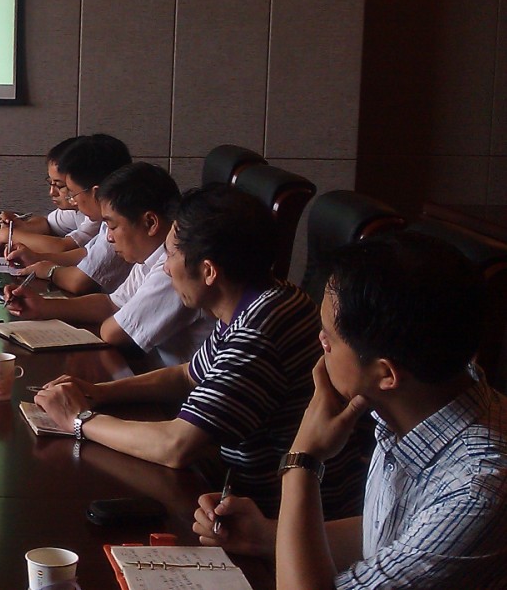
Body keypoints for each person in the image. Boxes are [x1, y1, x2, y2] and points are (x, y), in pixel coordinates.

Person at [192, 231, 507, 589]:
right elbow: (394, 535)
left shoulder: (478, 491)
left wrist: (302, 462)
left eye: (329, 338)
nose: (319, 342)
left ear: (385, 374)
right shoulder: (418, 405)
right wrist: (266, 535)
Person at [34, 185, 364, 516]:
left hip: (274, 516)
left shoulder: (256, 333)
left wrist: (80, 419)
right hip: (238, 491)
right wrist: (99, 392)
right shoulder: (271, 295)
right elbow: (188, 375)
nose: (165, 268)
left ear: (208, 271)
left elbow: (176, 446)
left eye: (170, 255)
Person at [5, 162, 210, 361]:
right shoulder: (149, 257)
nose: (109, 238)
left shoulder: (174, 270)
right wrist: (43, 307)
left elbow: (114, 333)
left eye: (112, 227)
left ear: (150, 223)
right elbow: (111, 304)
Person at [6, 134, 135, 293]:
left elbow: (79, 282)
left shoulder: (120, 229)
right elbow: (87, 254)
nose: (72, 201)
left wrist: (50, 271)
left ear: (96, 193)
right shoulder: (107, 222)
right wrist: (37, 258)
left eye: (72, 193)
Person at [0, 136, 100, 255]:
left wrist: (8, 235)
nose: (52, 192)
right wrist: (22, 226)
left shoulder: (97, 214)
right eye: (51, 183)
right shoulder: (76, 209)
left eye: (60, 185)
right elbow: (47, 223)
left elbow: (63, 249)